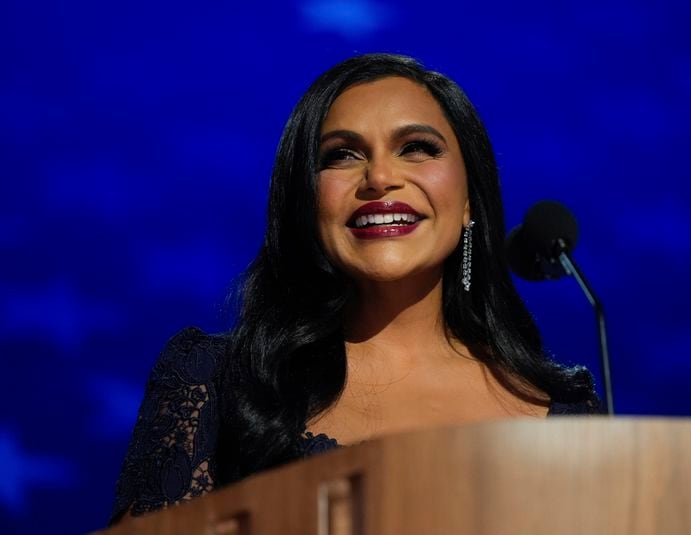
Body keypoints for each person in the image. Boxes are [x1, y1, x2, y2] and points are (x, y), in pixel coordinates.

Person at [109, 53, 599, 525]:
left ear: (469, 199)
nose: (381, 177)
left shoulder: (563, 413)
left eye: (417, 147)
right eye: (341, 155)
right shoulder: (213, 383)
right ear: (306, 202)